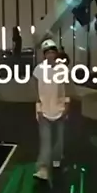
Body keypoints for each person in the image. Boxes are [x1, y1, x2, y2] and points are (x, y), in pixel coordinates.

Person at [33, 39, 70, 181]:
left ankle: (57, 158)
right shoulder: (38, 69)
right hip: (44, 109)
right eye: (47, 52)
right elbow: (36, 90)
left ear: (56, 54)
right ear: (44, 55)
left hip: (59, 108)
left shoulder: (62, 69)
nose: (50, 55)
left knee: (59, 139)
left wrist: (66, 107)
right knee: (46, 142)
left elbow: (66, 89)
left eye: (52, 52)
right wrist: (38, 108)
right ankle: (43, 168)